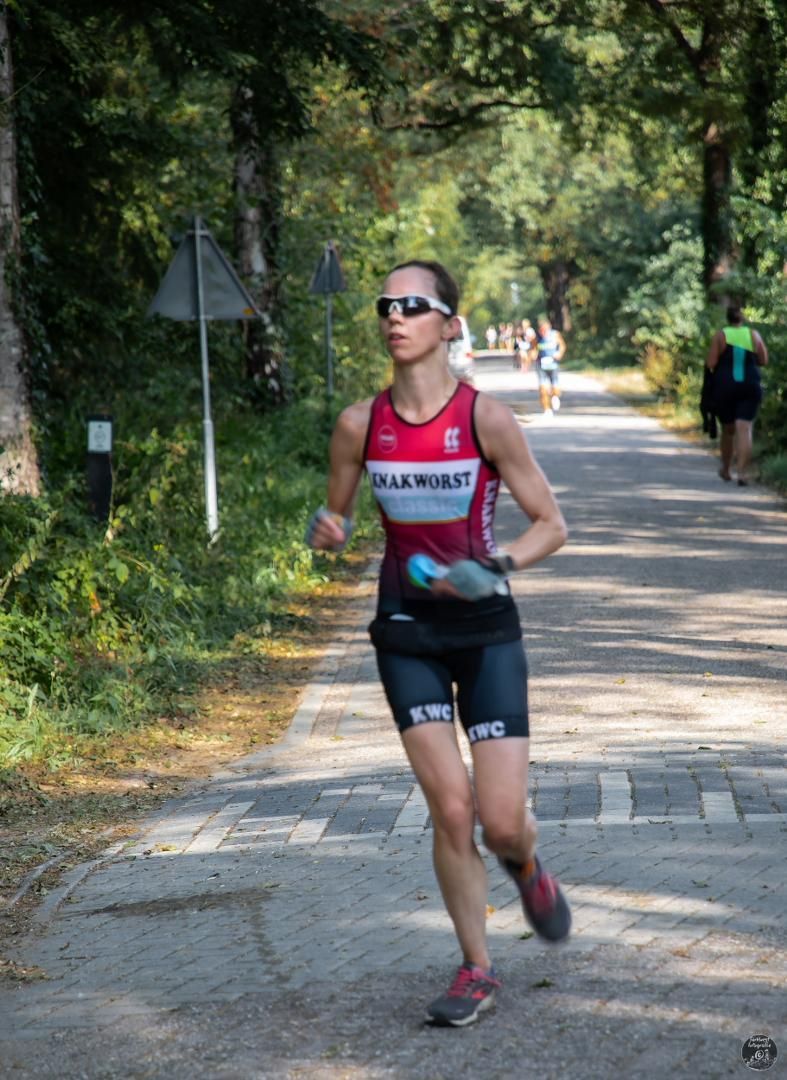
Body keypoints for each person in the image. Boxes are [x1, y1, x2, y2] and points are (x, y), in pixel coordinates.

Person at [305, 259, 571, 1027]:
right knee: (452, 811)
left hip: (486, 632)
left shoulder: (486, 419)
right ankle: (476, 967)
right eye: (385, 305)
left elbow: (551, 525)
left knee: (500, 821)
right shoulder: (359, 424)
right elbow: (337, 517)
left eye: (412, 304)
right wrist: (329, 530)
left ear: (448, 324)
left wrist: (497, 567)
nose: (394, 315)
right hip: (405, 633)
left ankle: (523, 862)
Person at [704, 303, 768, 486]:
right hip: (750, 386)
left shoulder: (721, 335)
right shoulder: (753, 335)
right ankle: (742, 473)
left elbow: (711, 363)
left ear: (728, 318)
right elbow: (764, 360)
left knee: (728, 429)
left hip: (726, 388)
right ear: (743, 317)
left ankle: (726, 469)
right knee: (744, 429)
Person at [535, 318, 566, 415]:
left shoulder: (555, 335)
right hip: (541, 366)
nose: (543, 332)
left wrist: (559, 353)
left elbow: (562, 346)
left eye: (545, 330)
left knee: (555, 388)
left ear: (549, 328)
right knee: (543, 389)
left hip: (553, 365)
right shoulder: (536, 337)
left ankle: (555, 397)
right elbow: (533, 348)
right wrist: (533, 354)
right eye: (541, 330)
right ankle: (547, 410)